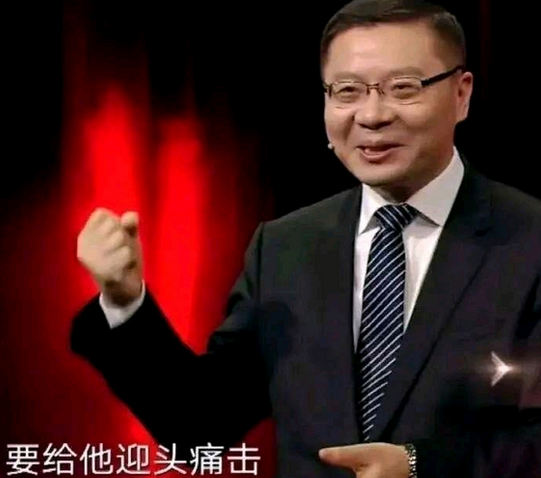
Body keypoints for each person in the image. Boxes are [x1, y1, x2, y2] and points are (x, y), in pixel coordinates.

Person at [71, 0, 541, 477]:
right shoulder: (285, 248)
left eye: (403, 88)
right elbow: (197, 427)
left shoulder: (530, 240)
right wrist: (125, 301)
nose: (372, 115)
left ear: (461, 94)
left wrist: (422, 465)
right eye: (347, 91)